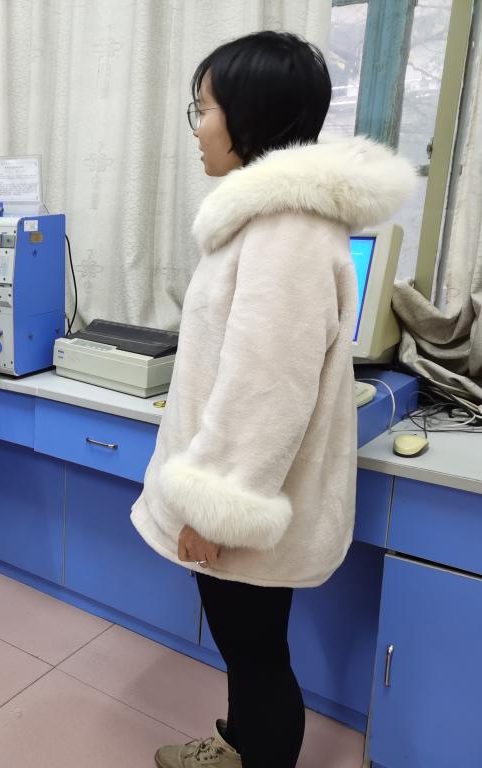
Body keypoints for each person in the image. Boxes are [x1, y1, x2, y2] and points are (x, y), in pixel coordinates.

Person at [131, 32, 415, 768]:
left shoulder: (287, 230)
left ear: (249, 115)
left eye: (205, 109)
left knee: (258, 658)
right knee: (249, 650)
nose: (198, 128)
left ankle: (254, 753)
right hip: (249, 495)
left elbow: (267, 387)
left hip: (245, 503)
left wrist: (213, 505)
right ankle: (238, 746)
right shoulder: (265, 222)